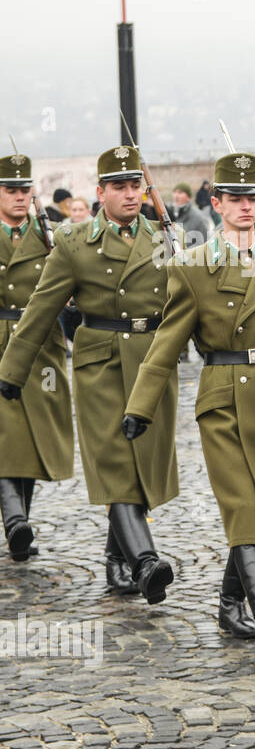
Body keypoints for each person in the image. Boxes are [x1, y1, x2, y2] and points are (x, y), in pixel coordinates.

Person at [123, 152, 255, 655]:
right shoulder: (193, 266)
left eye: (251, 196)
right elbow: (167, 343)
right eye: (233, 198)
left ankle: (228, 603)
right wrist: (140, 406)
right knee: (242, 505)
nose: (243, 205)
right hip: (223, 399)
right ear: (215, 203)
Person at [0, 145, 180, 600]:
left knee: (142, 464)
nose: (129, 194)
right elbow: (41, 309)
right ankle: (144, 561)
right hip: (99, 361)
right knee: (115, 460)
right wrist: (12, 370)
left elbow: (188, 306)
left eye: (135, 185)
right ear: (100, 193)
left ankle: (115, 558)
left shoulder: (164, 236)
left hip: (152, 361)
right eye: (118, 187)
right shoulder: (74, 242)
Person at [0, 153, 73, 563]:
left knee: (29, 438)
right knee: (5, 434)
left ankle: (19, 525)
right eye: (10, 190)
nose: (18, 197)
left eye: (24, 190)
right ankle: (14, 520)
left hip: (39, 345)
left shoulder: (52, 236)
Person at [170, 182, 211, 247]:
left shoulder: (198, 217)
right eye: (174, 192)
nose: (176, 196)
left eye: (180, 192)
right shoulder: (171, 212)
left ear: (188, 197)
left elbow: (204, 243)